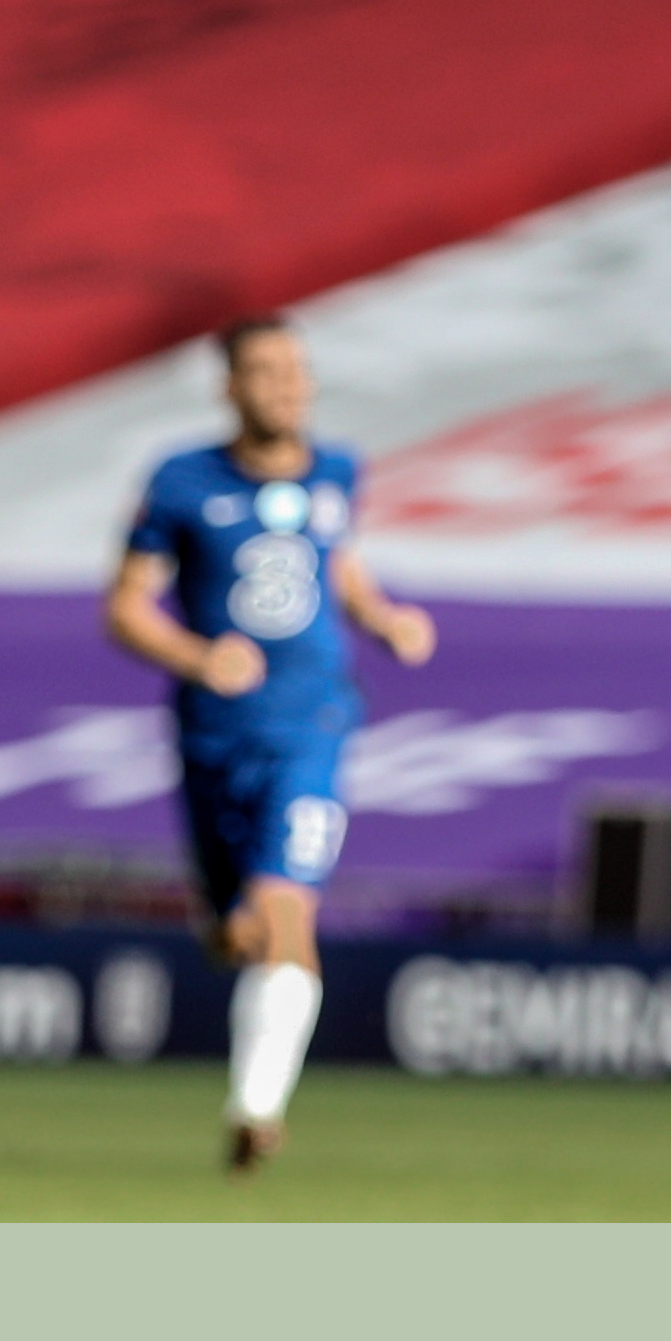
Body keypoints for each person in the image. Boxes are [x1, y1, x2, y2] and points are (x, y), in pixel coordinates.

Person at [106, 316, 436, 1169]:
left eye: (297, 370)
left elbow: (338, 561)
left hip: (312, 726)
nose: (287, 386)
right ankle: (254, 1063)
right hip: (214, 738)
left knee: (287, 907)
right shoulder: (180, 481)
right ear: (229, 387)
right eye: (265, 371)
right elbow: (126, 606)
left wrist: (382, 618)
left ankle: (255, 1112)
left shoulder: (337, 469)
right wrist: (197, 656)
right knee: (237, 935)